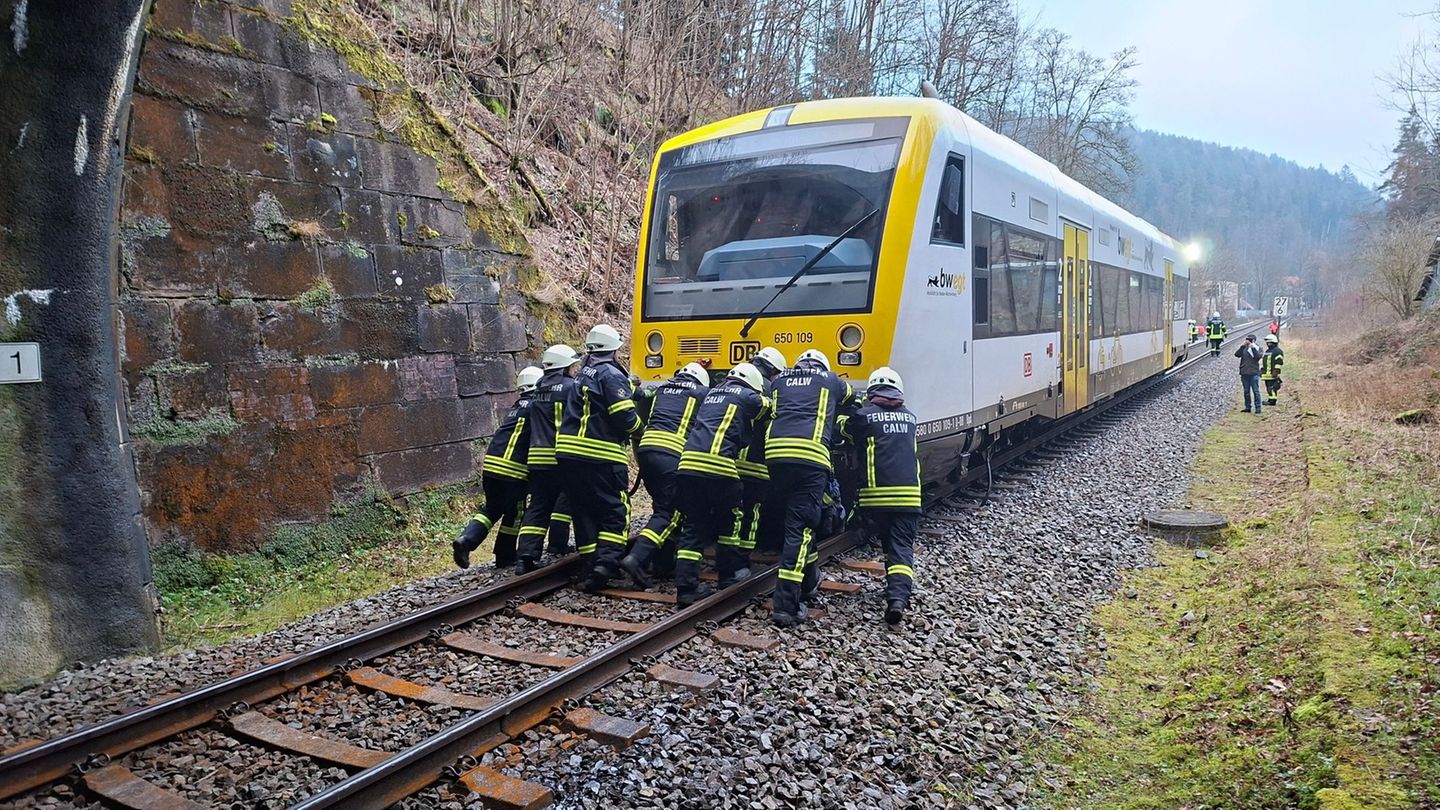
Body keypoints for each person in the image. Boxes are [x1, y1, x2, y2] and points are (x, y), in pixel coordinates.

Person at [765, 349, 863, 627]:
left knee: (796, 524)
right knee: (800, 528)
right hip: (810, 458)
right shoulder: (831, 380)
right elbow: (850, 399)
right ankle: (786, 605)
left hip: (775, 457)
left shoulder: (779, 381)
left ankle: (809, 582)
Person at [672, 363, 771, 606]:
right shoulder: (748, 395)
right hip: (719, 467)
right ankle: (728, 576)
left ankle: (685, 589)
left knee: (693, 526)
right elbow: (769, 405)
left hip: (687, 465)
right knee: (730, 521)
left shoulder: (710, 393)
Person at [557, 324, 643, 591]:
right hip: (600, 454)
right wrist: (642, 429)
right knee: (615, 510)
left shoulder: (583, 374)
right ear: (615, 350)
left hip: (568, 455)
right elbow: (624, 416)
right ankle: (606, 565)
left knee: (584, 510)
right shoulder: (610, 374)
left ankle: (590, 564)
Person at [839, 366, 921, 627]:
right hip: (909, 496)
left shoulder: (864, 416)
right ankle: (897, 598)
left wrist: (850, 408)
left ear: (872, 391)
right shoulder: (910, 417)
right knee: (901, 548)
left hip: (877, 497)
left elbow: (844, 431)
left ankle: (895, 592)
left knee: (888, 544)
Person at [620, 362, 710, 588]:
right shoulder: (700, 392)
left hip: (647, 452)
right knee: (671, 512)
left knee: (662, 505)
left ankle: (662, 564)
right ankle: (636, 558)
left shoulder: (663, 389)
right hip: (670, 454)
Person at [452, 366, 543, 570]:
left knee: (492, 507)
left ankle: (466, 540)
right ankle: (505, 556)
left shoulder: (517, 406)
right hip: (513, 470)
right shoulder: (537, 406)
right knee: (515, 513)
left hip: (491, 466)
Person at [515, 344, 583, 573]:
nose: (575, 370)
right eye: (572, 366)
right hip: (560, 457)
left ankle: (525, 555)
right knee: (570, 500)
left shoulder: (538, 389)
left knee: (538, 506)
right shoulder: (571, 387)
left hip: (536, 459)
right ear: (564, 367)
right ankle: (563, 544)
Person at [735, 347, 788, 561]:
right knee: (757, 508)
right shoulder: (772, 388)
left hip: (732, 461)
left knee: (735, 509)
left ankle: (729, 549)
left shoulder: (733, 384)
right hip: (757, 461)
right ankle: (752, 550)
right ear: (774, 371)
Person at [1235, 334, 1264, 414]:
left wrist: (1253, 348)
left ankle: (1258, 408)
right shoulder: (1244, 348)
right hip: (1244, 372)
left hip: (1254, 372)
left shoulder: (1258, 348)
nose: (1248, 341)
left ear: (1254, 340)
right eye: (1247, 339)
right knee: (1246, 391)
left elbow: (1257, 357)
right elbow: (1237, 355)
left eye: (1250, 340)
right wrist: (1242, 346)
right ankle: (1248, 407)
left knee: (1256, 391)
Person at [1261, 333, 1285, 406]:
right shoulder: (1268, 351)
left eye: (1269, 342)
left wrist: (1276, 371)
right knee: (1268, 388)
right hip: (1267, 374)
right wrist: (1262, 369)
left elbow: (1279, 362)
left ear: (1273, 342)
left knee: (1272, 388)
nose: (1267, 343)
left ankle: (1272, 402)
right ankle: (1270, 399)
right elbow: (1266, 361)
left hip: (1272, 374)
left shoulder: (1277, 351)